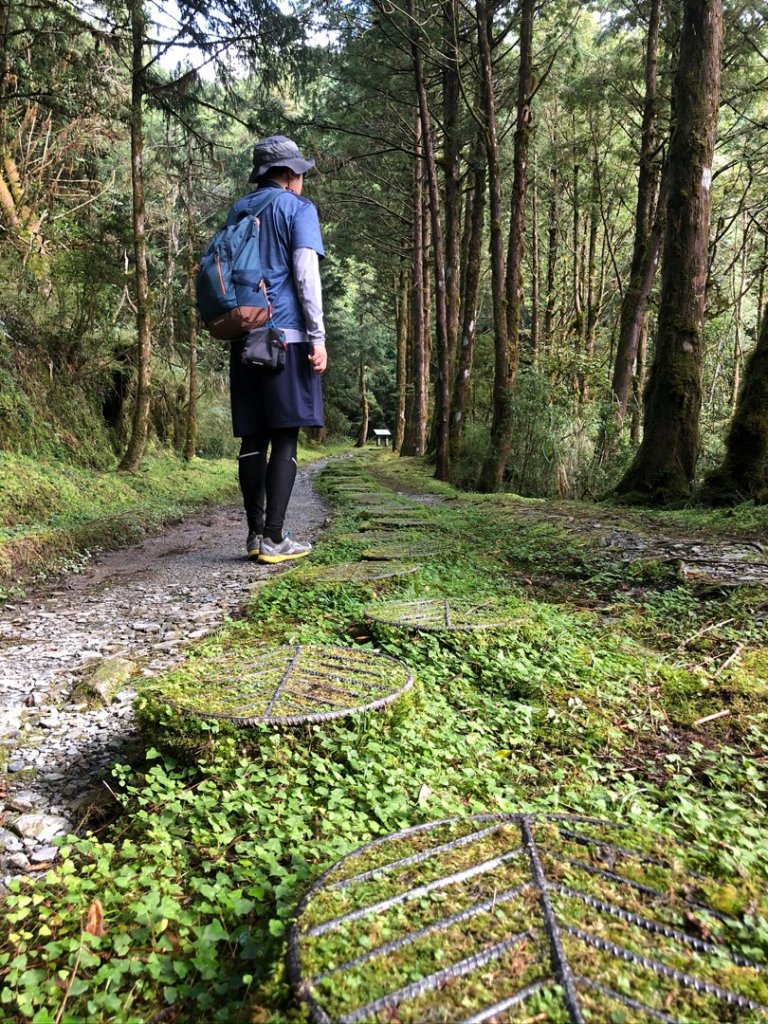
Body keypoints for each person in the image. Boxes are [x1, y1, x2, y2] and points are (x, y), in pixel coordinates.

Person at [228, 135, 327, 564]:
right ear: (289, 175)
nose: (302, 180)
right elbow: (306, 276)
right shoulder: (298, 209)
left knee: (253, 437)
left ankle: (254, 535)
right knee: (284, 436)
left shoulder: (239, 209)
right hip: (285, 336)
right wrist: (318, 337)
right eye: (300, 173)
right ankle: (273, 538)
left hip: (244, 334)